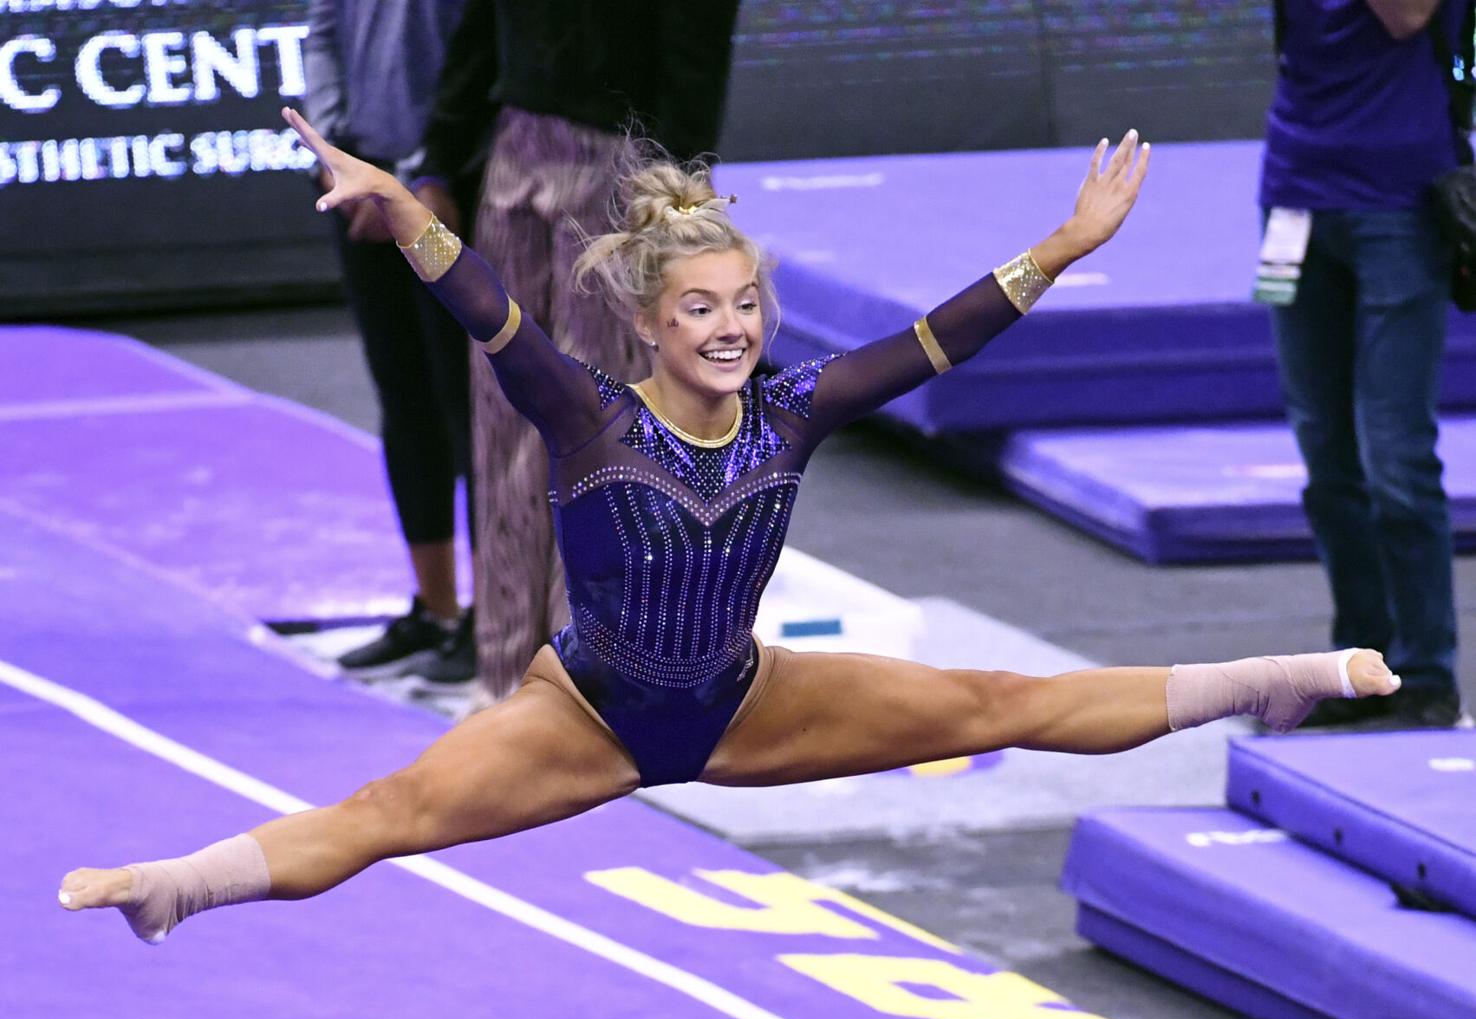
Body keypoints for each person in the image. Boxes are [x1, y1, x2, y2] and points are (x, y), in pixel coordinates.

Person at [56, 109, 1402, 943]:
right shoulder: (587, 417)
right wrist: (408, 211)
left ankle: (1265, 680)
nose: (728, 329)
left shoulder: (796, 408)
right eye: (698, 310)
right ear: (647, 322)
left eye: (743, 306)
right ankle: (180, 881)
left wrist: (1058, 247)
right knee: (391, 808)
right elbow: (482, 310)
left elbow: (934, 343)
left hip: (748, 701)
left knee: (1000, 697)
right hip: (585, 714)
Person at [409, 0, 743, 710]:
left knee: (599, 423)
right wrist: (438, 158)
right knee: (503, 415)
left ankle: (596, 673)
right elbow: (477, 30)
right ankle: (504, 672)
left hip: (621, 172)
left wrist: (683, 186)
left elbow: (697, 42)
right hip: (516, 152)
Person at [1260, 0, 1467, 728]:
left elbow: (1407, 16)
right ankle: (1364, 664)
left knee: (1396, 458)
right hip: (1292, 194)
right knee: (1325, 452)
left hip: (1399, 205)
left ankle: (1428, 673)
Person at [302, 0, 478, 686]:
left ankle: (496, 616)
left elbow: (478, 50)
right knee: (404, 397)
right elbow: (322, 33)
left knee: (472, 405)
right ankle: (435, 609)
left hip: (453, 180)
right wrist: (334, 155)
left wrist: (423, 172)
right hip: (357, 177)